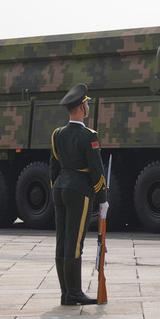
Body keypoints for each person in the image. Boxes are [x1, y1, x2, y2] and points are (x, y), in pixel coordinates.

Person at [50, 83, 108, 306]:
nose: (87, 106)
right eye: (87, 103)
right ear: (82, 108)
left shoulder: (58, 134)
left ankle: (66, 291)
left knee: (62, 241)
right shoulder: (88, 136)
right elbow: (96, 170)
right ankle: (74, 292)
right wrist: (102, 199)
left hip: (60, 190)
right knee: (75, 243)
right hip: (79, 192)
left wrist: (57, 188)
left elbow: (53, 168)